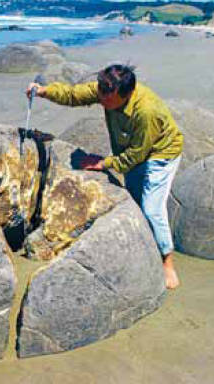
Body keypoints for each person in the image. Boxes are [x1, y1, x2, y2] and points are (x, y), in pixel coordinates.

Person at [26, 64, 183, 289]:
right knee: (135, 202)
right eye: (101, 95)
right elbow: (73, 95)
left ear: (127, 94)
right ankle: (145, 247)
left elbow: (137, 154)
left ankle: (167, 262)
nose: (103, 101)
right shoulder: (106, 89)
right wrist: (43, 91)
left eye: (108, 100)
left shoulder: (147, 111)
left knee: (151, 208)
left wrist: (103, 163)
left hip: (160, 154)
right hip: (133, 150)